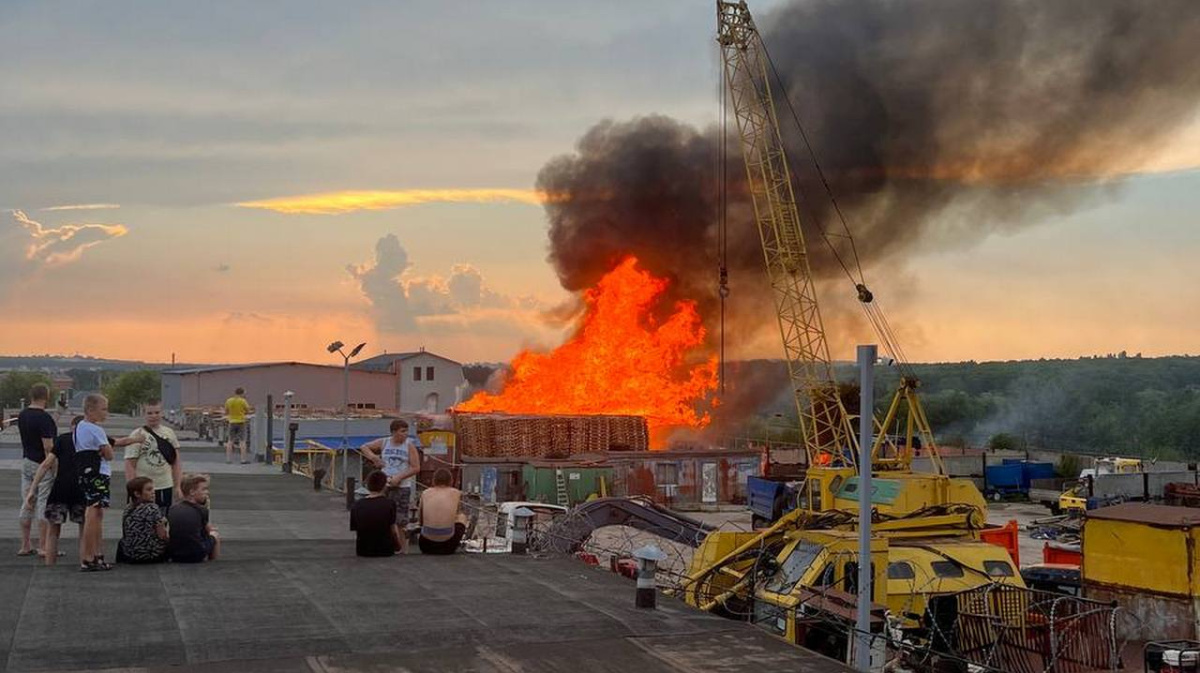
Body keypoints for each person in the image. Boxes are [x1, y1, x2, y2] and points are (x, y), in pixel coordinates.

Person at [25, 415, 86, 567]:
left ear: (72, 426)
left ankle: (49, 564)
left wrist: (33, 489)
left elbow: (46, 464)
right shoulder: (90, 440)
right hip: (82, 488)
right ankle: (85, 561)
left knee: (53, 530)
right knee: (84, 528)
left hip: (60, 488)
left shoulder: (62, 440)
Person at [76, 393, 128, 571]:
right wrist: (105, 450)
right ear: (91, 410)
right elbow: (109, 454)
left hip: (85, 473)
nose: (106, 413)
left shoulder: (80, 427)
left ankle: (96, 555)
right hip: (98, 474)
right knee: (93, 513)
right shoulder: (96, 430)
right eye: (103, 409)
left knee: (96, 513)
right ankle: (89, 557)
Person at [360, 419, 421, 553]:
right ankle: (387, 544)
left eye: (406, 431)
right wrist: (374, 458)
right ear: (394, 432)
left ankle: (403, 549)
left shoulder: (409, 445)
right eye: (402, 431)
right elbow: (364, 447)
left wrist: (400, 477)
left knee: (400, 520)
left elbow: (416, 467)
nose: (405, 434)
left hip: (402, 486)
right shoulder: (385, 442)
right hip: (385, 485)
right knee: (384, 517)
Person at [16, 383, 56, 557]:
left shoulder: (22, 415)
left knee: (27, 501)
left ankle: (25, 545)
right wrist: (54, 467)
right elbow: (48, 446)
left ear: (31, 396)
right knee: (43, 504)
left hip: (26, 461)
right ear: (46, 397)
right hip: (42, 464)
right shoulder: (44, 419)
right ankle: (43, 546)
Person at [123, 399, 183, 513]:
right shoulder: (137, 435)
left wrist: (178, 486)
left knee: (163, 519)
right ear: (144, 414)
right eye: (150, 413)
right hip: (144, 489)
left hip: (165, 485)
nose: (153, 416)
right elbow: (130, 465)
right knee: (143, 519)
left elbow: (176, 462)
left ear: (162, 413)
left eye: (157, 412)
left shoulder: (169, 433)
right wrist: (133, 490)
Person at [168, 474, 220, 563]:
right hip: (196, 554)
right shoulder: (202, 510)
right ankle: (212, 562)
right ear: (192, 492)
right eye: (204, 489)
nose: (207, 492)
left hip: (174, 555)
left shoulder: (172, 508)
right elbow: (206, 533)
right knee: (215, 534)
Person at [350, 470, 401, 557]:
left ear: (367, 485)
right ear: (384, 486)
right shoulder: (389, 503)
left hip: (363, 550)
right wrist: (398, 546)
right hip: (385, 550)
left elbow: (356, 529)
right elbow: (393, 530)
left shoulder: (357, 504)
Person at [117, 476, 168, 564]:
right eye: (149, 490)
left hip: (129, 554)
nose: (153, 492)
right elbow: (162, 535)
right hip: (149, 555)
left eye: (153, 489)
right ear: (137, 494)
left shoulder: (128, 508)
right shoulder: (152, 508)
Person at [417, 468, 468, 555]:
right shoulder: (456, 493)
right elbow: (458, 513)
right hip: (448, 545)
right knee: (462, 517)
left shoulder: (425, 493)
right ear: (451, 481)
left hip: (426, 544)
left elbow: (420, 521)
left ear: (434, 480)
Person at [224, 387, 251, 464]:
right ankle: (243, 460)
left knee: (230, 441)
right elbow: (247, 411)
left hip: (231, 421)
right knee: (242, 441)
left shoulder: (229, 400)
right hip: (241, 422)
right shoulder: (243, 401)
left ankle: (228, 459)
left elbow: (226, 411)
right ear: (242, 393)